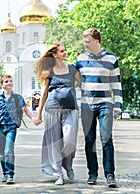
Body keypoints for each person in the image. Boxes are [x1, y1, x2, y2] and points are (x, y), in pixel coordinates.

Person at [74, 28, 123, 188]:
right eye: (84, 41)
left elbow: (116, 82)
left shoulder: (111, 58)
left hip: (105, 103)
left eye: (87, 41)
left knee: (106, 139)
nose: (84, 44)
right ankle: (92, 173)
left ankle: (110, 175)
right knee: (89, 140)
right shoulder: (80, 59)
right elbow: (77, 81)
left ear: (97, 41)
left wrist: (118, 105)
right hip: (87, 104)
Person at [34, 43, 81, 185]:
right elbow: (44, 94)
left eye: (65, 50)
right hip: (52, 111)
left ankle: (68, 164)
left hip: (71, 109)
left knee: (69, 141)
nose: (65, 52)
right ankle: (59, 173)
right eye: (62, 51)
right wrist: (39, 114)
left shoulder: (72, 69)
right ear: (54, 55)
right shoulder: (49, 71)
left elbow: (84, 84)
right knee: (55, 143)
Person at [0, 74, 36, 184]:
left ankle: (10, 174)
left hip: (11, 127)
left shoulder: (18, 97)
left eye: (10, 81)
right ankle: (5, 173)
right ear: (2, 85)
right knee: (2, 153)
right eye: (6, 81)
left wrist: (33, 118)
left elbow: (26, 110)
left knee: (9, 150)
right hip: (0, 127)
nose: (9, 83)